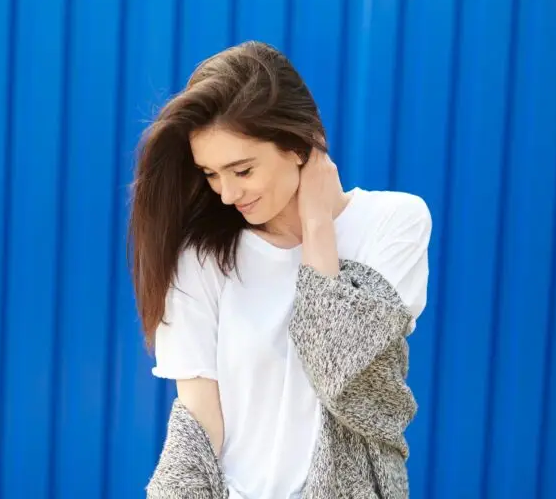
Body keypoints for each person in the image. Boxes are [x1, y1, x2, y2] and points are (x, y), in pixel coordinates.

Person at [128, 41, 431, 499]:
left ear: (298, 145)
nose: (227, 194)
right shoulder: (204, 256)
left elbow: (339, 369)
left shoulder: (394, 224)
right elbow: (198, 425)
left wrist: (315, 225)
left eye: (243, 170)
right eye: (211, 175)